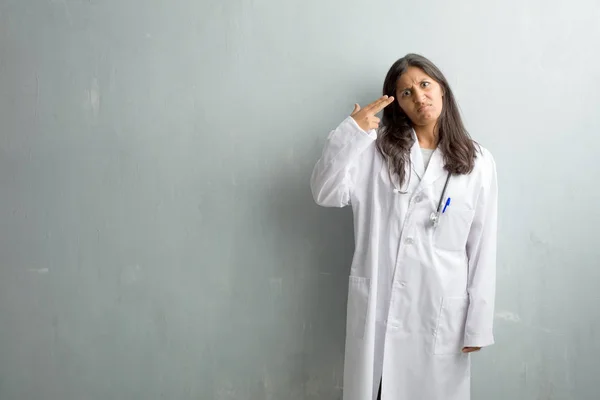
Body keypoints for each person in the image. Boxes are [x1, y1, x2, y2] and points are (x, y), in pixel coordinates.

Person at [310, 53, 498, 400]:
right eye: (406, 93)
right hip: (382, 308)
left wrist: (477, 325)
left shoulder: (479, 162)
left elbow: (483, 246)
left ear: (442, 89)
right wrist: (350, 133)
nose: (419, 97)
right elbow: (325, 192)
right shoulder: (372, 151)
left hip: (440, 312)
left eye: (424, 84)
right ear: (397, 105)